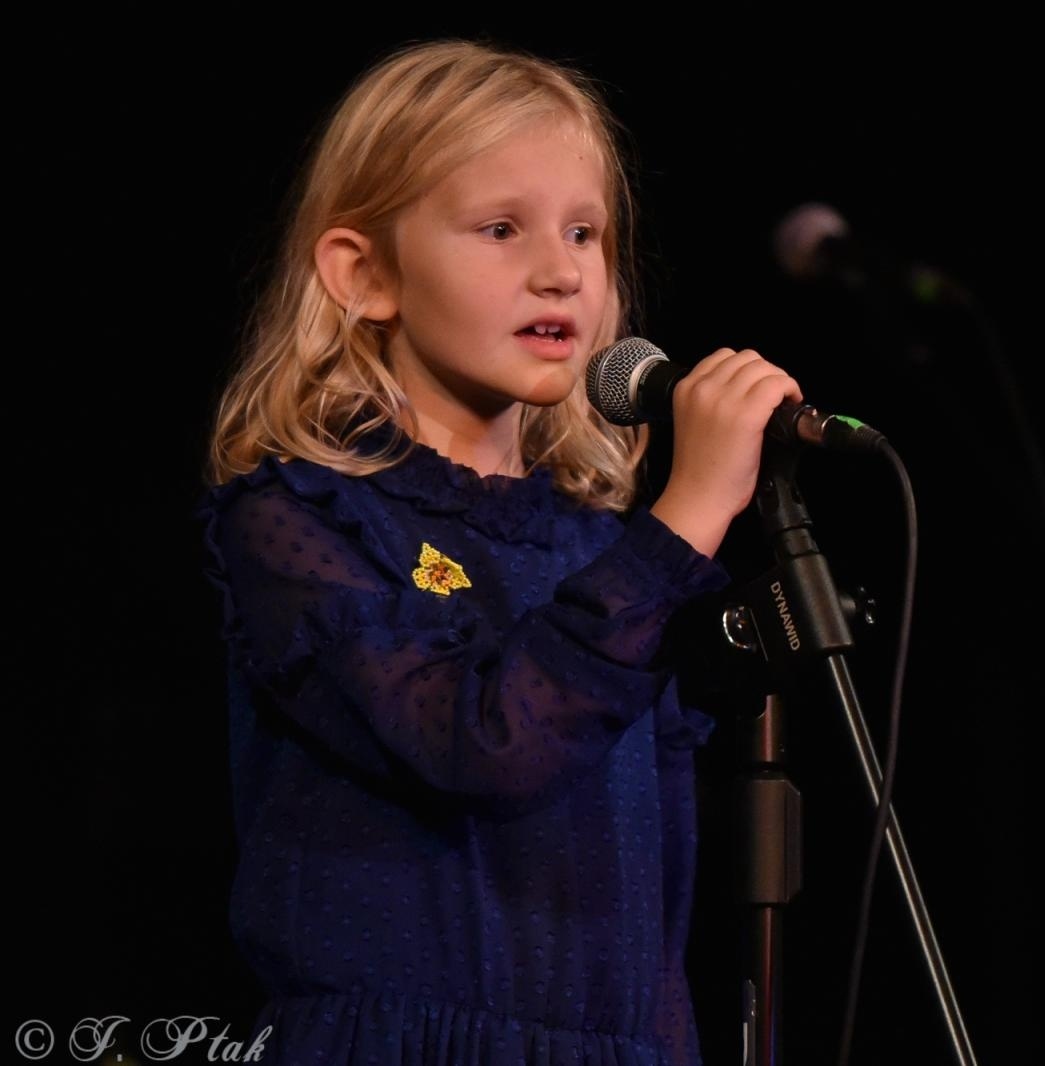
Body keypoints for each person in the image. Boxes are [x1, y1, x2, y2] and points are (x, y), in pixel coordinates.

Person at [195, 37, 801, 1066]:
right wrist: (686, 514)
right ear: (366, 272)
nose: (560, 269)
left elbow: (648, 882)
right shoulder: (303, 521)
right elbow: (483, 739)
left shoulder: (602, 551)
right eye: (501, 229)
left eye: (584, 231)